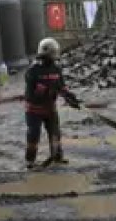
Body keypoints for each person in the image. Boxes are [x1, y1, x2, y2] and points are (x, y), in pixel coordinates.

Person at [24, 38, 81, 169]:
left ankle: (57, 156)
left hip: (50, 108)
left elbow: (62, 87)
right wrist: (45, 91)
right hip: (34, 110)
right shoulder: (33, 70)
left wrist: (70, 97)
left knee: (55, 133)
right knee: (33, 135)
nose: (53, 57)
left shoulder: (56, 69)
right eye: (51, 54)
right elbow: (30, 95)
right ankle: (30, 160)